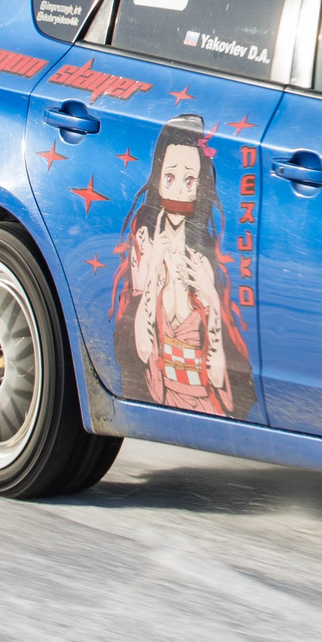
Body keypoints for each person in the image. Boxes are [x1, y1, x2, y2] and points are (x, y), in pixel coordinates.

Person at [109, 114, 254, 417]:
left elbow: (217, 376)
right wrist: (150, 279)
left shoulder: (203, 262)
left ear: (199, 187)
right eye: (170, 178)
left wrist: (212, 301)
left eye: (189, 181)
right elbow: (144, 352)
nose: (177, 191)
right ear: (158, 181)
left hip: (207, 403)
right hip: (163, 391)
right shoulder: (145, 247)